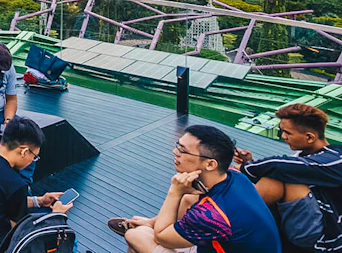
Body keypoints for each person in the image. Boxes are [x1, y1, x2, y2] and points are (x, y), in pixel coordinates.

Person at [111, 125, 280, 253]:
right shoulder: (234, 177)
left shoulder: (211, 215)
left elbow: (161, 236)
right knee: (189, 198)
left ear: (210, 164)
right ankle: (151, 224)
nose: (174, 152)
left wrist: (174, 192)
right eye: (178, 146)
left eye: (182, 151)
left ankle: (148, 229)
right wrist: (154, 222)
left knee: (136, 236)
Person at [0, 117, 73, 253]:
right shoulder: (15, 183)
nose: (32, 160)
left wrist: (39, 201)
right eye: (34, 156)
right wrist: (56, 215)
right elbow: (18, 236)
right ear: (23, 151)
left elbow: (0, 199)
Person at [237, 103, 342, 252]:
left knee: (282, 176)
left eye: (288, 133)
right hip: (303, 222)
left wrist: (245, 168)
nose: (283, 136)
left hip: (323, 235)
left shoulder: (336, 159)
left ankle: (228, 218)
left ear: (310, 137)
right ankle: (230, 218)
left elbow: (280, 166)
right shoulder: (304, 156)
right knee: (283, 174)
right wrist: (249, 162)